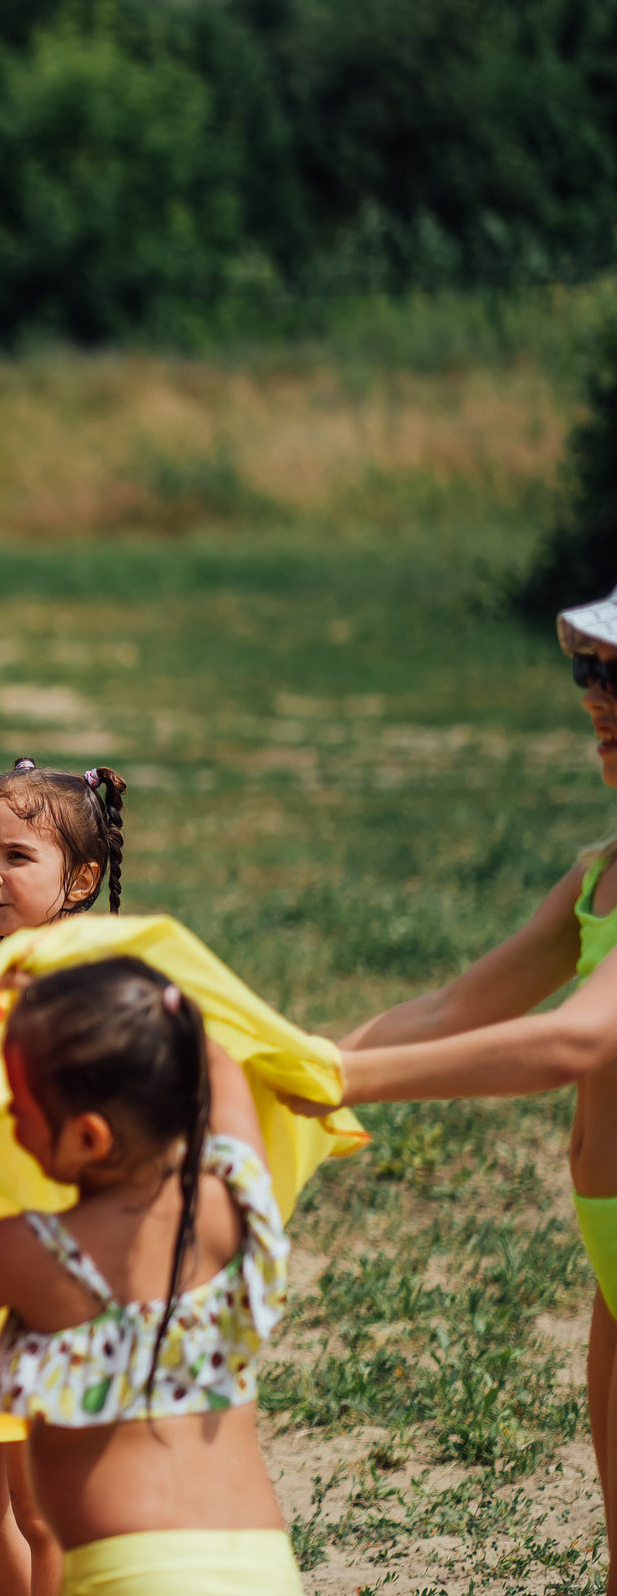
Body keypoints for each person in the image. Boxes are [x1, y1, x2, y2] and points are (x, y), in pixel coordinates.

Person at [304, 584, 617, 1557]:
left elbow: (574, 1041)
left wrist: (347, 1086)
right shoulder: (603, 870)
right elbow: (452, 1007)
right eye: (588, 668)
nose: (594, 694)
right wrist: (296, 1062)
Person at [0, 957, 298, 1596]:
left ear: (89, 1137)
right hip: (261, 1566)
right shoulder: (237, 1199)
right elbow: (223, 1070)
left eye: (19, 1107)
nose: (8, 1122)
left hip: (130, 1577)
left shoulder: (22, 1250)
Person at [0, 759, 126, 1596]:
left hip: (55, 1267)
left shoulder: (90, 984)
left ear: (80, 880)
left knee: (40, 1501)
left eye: (17, 856)